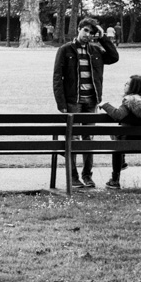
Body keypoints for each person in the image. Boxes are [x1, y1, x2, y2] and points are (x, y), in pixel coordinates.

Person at [52, 17, 119, 188]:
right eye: (85, 31)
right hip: (73, 101)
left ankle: (87, 175)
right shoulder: (65, 50)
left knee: (88, 138)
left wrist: (103, 37)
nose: (88, 35)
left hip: (91, 101)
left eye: (91, 32)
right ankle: (73, 176)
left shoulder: (95, 50)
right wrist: (61, 103)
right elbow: (57, 77)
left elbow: (114, 57)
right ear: (78, 30)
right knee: (73, 139)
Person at [99, 74, 141, 189]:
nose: (124, 85)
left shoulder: (130, 102)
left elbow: (117, 115)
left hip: (126, 143)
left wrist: (105, 105)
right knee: (116, 135)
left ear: (133, 88)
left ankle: (115, 180)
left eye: (127, 84)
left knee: (116, 140)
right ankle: (122, 162)